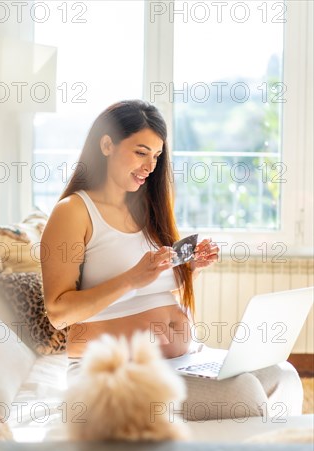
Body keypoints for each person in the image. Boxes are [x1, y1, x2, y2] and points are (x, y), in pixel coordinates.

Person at [40, 99, 303, 421]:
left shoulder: (149, 209)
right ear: (106, 144)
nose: (150, 166)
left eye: (156, 155)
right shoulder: (73, 211)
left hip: (182, 359)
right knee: (241, 394)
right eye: (140, 152)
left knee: (283, 374)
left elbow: (150, 289)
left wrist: (188, 270)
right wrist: (130, 279)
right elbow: (58, 312)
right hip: (110, 369)